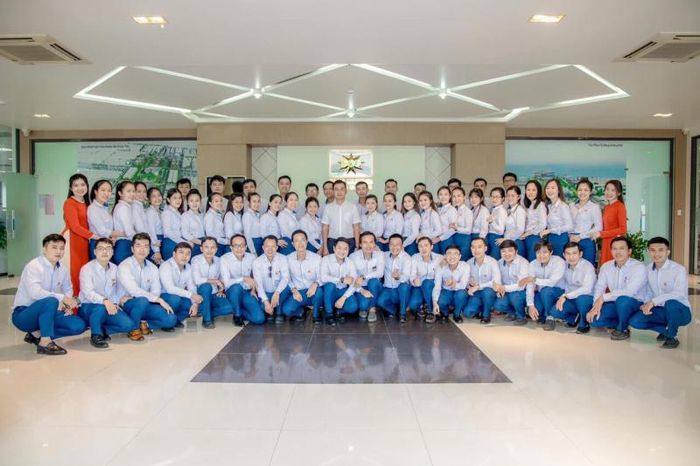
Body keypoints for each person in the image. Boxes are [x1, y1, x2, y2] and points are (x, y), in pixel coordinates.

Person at [11, 234, 87, 355]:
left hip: (49, 312)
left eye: (62, 248)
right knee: (51, 300)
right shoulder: (34, 266)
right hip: (24, 314)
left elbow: (68, 289)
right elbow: (35, 292)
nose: (58, 251)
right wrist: (63, 298)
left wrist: (66, 305)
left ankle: (36, 335)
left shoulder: (63, 269)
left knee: (78, 326)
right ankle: (45, 343)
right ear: (44, 249)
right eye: (54, 247)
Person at [629, 237, 693, 349]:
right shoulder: (648, 269)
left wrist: (653, 302)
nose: (656, 254)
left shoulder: (678, 269)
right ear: (649, 252)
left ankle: (672, 337)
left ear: (668, 252)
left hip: (680, 311)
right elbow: (648, 291)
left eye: (660, 250)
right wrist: (646, 303)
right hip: (660, 310)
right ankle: (666, 330)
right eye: (653, 250)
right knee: (635, 321)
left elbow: (678, 293)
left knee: (671, 304)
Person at [78, 237, 141, 347]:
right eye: (101, 248)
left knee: (128, 325)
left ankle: (103, 328)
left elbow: (119, 290)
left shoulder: (115, 268)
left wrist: (116, 302)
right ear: (95, 252)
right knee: (100, 308)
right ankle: (96, 335)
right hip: (89, 306)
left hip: (110, 305)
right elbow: (88, 292)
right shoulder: (87, 269)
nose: (105, 251)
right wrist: (104, 301)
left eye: (108, 248)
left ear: (112, 252)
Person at [583, 236, 647, 340]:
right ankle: (622, 321)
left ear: (629, 251)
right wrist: (595, 306)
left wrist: (604, 297)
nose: (618, 252)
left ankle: (622, 329)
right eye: (614, 248)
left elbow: (630, 292)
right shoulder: (606, 266)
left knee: (623, 301)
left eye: (622, 248)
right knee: (594, 320)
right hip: (614, 302)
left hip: (634, 303)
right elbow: (600, 287)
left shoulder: (639, 267)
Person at [117, 233, 177, 333]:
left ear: (149, 250)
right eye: (138, 246)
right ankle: (134, 329)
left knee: (171, 320)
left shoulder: (152, 267)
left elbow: (156, 290)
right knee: (141, 300)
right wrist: (158, 300)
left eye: (146, 246)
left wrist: (152, 298)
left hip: (147, 302)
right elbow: (134, 290)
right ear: (132, 249)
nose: (142, 249)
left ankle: (144, 323)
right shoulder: (125, 266)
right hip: (127, 304)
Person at [546, 241, 596, 332]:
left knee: (582, 300)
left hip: (586, 298)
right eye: (568, 254)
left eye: (574, 253)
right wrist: (561, 296)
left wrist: (566, 296)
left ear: (580, 254)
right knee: (555, 312)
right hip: (570, 298)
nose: (571, 257)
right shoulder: (563, 265)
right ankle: (574, 317)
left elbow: (587, 289)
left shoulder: (588, 267)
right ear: (564, 255)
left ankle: (584, 323)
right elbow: (559, 283)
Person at [220, 234, 263, 326]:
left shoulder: (251, 257)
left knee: (259, 319)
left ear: (246, 247)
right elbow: (227, 283)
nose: (239, 248)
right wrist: (243, 278)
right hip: (232, 292)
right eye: (236, 245)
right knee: (237, 287)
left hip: (247, 291)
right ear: (231, 247)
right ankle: (237, 315)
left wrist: (253, 290)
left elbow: (256, 276)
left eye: (242, 245)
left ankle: (238, 308)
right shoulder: (224, 259)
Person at [520, 239, 566, 325]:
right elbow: (530, 286)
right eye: (538, 252)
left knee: (546, 291)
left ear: (551, 252)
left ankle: (549, 317)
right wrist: (530, 305)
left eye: (545, 252)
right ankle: (544, 312)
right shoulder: (533, 264)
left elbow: (552, 282)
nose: (541, 255)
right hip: (541, 293)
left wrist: (534, 279)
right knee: (536, 310)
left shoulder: (559, 261)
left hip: (558, 292)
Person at [191, 237, 234, 328]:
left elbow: (222, 278)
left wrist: (221, 290)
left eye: (212, 247)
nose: (209, 250)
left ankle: (205, 311)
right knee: (206, 286)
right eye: (206, 247)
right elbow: (197, 280)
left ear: (216, 249)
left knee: (229, 308)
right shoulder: (195, 259)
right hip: (200, 294)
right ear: (201, 248)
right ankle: (207, 320)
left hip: (214, 294)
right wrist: (214, 281)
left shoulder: (219, 260)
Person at [283, 230, 324, 323]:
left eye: (302, 240)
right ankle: (301, 311)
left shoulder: (317, 258)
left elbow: (322, 276)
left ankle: (316, 314)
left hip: (314, 291)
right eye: (296, 241)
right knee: (287, 310)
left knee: (319, 292)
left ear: (307, 241)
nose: (300, 243)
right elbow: (286, 278)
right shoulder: (287, 259)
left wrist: (315, 284)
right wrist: (294, 290)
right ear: (293, 244)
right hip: (299, 293)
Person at [159, 242, 204, 327]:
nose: (184, 256)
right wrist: (191, 295)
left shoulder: (188, 267)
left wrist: (195, 304)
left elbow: (191, 287)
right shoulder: (166, 266)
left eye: (188, 253)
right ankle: (165, 320)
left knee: (191, 305)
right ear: (174, 254)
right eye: (181, 252)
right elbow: (170, 289)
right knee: (176, 300)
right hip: (164, 296)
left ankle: (175, 320)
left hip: (179, 295)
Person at [320, 237, 359, 326]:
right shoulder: (326, 259)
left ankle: (338, 311)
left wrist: (343, 298)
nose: (342, 251)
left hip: (343, 290)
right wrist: (341, 279)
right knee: (330, 285)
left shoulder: (350, 262)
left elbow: (354, 283)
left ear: (348, 250)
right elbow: (323, 278)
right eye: (339, 248)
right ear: (334, 248)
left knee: (353, 307)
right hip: (330, 291)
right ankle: (329, 313)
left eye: (345, 249)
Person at [252, 235, 291, 324]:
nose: (270, 249)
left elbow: (285, 278)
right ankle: (271, 308)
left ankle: (279, 312)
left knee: (286, 287)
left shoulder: (283, 258)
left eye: (273, 246)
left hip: (280, 292)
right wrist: (266, 302)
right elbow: (258, 285)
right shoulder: (257, 262)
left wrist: (277, 292)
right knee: (263, 307)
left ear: (277, 247)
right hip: (266, 293)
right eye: (267, 246)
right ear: (263, 247)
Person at [349, 232, 385, 322]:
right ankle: (364, 307)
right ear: (360, 244)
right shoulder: (353, 257)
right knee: (363, 305)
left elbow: (380, 273)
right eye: (365, 242)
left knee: (373, 281)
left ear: (375, 244)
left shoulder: (380, 254)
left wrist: (364, 277)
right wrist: (361, 290)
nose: (368, 245)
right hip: (360, 287)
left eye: (371, 242)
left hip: (375, 286)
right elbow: (353, 279)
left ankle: (372, 309)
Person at [464, 237, 500, 323]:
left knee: (487, 292)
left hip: (489, 292)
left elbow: (496, 282)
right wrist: (468, 284)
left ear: (485, 248)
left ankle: (486, 314)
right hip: (477, 293)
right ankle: (484, 307)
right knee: (467, 313)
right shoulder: (468, 263)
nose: (476, 250)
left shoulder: (493, 262)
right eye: (473, 247)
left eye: (479, 247)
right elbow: (465, 281)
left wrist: (478, 286)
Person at [493, 239, 529, 325]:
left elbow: (521, 286)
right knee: (498, 305)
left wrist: (503, 288)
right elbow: (497, 280)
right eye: (503, 251)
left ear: (516, 252)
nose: (507, 254)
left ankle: (521, 316)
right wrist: (499, 290)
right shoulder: (499, 263)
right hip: (507, 291)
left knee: (515, 296)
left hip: (522, 292)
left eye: (510, 251)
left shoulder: (523, 263)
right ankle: (513, 312)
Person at [377, 234, 412, 322]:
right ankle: (395, 311)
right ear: (388, 245)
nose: (394, 247)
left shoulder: (406, 258)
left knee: (404, 286)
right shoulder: (384, 255)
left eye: (397, 244)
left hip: (400, 290)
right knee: (380, 301)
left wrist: (398, 277)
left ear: (402, 246)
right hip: (388, 289)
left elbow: (406, 276)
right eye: (392, 244)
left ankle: (402, 313)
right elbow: (375, 250)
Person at [88, 179, 125, 260]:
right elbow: (101, 230)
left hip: (108, 243)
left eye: (109, 191)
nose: (106, 193)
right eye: (103, 190)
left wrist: (113, 238)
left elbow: (110, 228)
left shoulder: (105, 208)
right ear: (95, 191)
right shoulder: (92, 208)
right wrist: (122, 234)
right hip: (98, 244)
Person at [321, 180, 361, 254]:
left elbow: (356, 228)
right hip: (332, 241)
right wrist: (325, 247)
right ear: (333, 191)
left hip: (349, 241)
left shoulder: (352, 207)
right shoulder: (328, 208)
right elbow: (325, 228)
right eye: (336, 189)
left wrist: (357, 246)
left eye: (342, 189)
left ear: (346, 191)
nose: (339, 192)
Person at [432, 244, 469, 323]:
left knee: (461, 294)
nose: (452, 256)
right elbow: (437, 286)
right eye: (449, 253)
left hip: (459, 291)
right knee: (440, 302)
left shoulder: (465, 266)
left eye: (455, 254)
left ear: (460, 256)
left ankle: (457, 314)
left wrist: (454, 284)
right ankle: (445, 312)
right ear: (445, 256)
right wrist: (435, 303)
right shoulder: (440, 267)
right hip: (446, 291)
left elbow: (463, 285)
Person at [569, 178, 602, 266]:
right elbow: (568, 223)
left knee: (588, 268)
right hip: (571, 241)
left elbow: (599, 227)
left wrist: (580, 236)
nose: (582, 192)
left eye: (586, 190)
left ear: (590, 192)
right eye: (580, 190)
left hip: (587, 241)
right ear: (576, 191)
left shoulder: (594, 207)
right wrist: (570, 236)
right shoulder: (571, 206)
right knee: (572, 268)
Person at [408, 236, 442, 320]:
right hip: (419, 286)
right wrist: (414, 281)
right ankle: (423, 305)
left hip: (432, 286)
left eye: (426, 245)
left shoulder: (439, 258)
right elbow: (412, 275)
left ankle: (430, 311)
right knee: (413, 305)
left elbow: (438, 282)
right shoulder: (414, 258)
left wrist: (435, 301)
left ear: (431, 247)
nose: (423, 249)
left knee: (427, 283)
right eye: (420, 246)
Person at [596, 179, 627, 265]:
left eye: (613, 190)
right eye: (607, 189)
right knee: (605, 268)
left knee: (613, 267)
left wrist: (601, 234)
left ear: (619, 193)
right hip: (605, 242)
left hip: (615, 244)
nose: (609, 192)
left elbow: (623, 229)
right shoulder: (606, 207)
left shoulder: (620, 207)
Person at [542, 179, 573, 257]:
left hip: (560, 239)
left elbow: (569, 226)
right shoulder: (549, 206)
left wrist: (550, 230)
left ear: (559, 190)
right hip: (551, 239)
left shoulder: (563, 206)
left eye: (553, 188)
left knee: (560, 262)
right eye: (547, 188)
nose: (550, 190)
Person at [112, 180, 137, 265]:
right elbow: (129, 232)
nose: (132, 194)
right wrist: (141, 241)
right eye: (128, 191)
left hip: (124, 245)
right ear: (120, 193)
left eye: (133, 191)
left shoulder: (124, 207)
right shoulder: (123, 208)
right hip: (124, 246)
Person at [522, 180, 547, 261]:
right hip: (527, 237)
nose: (530, 192)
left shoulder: (540, 205)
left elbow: (543, 224)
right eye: (528, 190)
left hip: (534, 237)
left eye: (533, 190)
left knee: (532, 261)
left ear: (538, 191)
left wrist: (529, 233)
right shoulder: (529, 204)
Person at [499, 186, 526, 258]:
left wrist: (507, 238)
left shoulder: (520, 210)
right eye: (508, 195)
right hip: (509, 242)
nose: (510, 198)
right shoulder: (510, 210)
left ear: (518, 197)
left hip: (516, 243)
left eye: (512, 195)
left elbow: (520, 230)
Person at [161, 188, 186, 261]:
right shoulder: (167, 213)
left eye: (179, 198)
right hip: (170, 243)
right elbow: (167, 232)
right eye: (175, 198)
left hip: (178, 242)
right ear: (168, 200)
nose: (178, 200)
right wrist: (183, 241)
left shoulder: (178, 212)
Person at [451, 187, 473, 261]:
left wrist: (456, 228)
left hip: (464, 240)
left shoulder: (468, 211)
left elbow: (468, 230)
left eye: (459, 196)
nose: (456, 199)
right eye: (454, 196)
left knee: (463, 261)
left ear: (464, 197)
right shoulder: (453, 210)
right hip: (454, 238)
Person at [485, 187, 507, 260]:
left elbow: (501, 230)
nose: (494, 199)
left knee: (494, 260)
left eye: (497, 197)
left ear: (503, 198)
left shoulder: (501, 211)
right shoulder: (494, 209)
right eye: (492, 196)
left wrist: (491, 222)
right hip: (490, 237)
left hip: (497, 239)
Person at [181, 190, 205, 256]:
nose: (194, 203)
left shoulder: (203, 215)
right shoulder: (185, 215)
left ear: (200, 202)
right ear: (187, 202)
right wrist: (200, 242)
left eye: (197, 200)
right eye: (191, 201)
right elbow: (185, 233)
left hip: (204, 244)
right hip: (193, 244)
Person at [145, 187, 164, 265]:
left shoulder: (161, 211)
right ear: (149, 199)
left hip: (161, 241)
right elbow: (151, 231)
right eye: (153, 196)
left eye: (159, 195)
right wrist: (156, 251)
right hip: (155, 242)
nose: (157, 198)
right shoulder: (150, 212)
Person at [436, 186, 457, 254]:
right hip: (437, 239)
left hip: (447, 239)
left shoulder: (452, 209)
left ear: (450, 196)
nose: (443, 197)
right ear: (438, 196)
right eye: (440, 194)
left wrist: (439, 238)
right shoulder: (438, 209)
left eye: (446, 194)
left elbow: (453, 229)